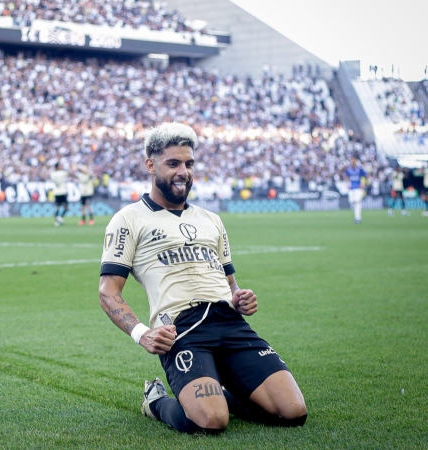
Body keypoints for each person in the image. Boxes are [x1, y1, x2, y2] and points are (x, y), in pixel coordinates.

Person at [98, 122, 307, 435]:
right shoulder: (128, 219)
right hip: (183, 330)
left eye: (189, 163)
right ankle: (155, 402)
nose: (183, 171)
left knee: (292, 412)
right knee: (210, 421)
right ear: (151, 166)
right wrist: (142, 333)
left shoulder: (212, 220)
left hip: (230, 324)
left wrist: (239, 296)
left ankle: (222, 390)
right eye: (173, 164)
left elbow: (231, 283)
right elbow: (107, 290)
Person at [345, 154, 367, 224]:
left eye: (353, 159)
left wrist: (363, 183)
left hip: (358, 187)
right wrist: (347, 184)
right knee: (352, 201)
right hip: (351, 188)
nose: (352, 161)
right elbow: (346, 177)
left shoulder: (360, 169)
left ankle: (357, 217)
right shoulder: (348, 169)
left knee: (358, 202)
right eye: (351, 160)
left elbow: (365, 176)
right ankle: (357, 216)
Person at [50, 162, 69, 226]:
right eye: (60, 165)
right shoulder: (62, 173)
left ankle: (57, 221)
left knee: (58, 207)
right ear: (57, 167)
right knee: (66, 207)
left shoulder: (52, 174)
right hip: (62, 192)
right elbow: (69, 173)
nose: (61, 166)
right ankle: (59, 218)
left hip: (56, 192)